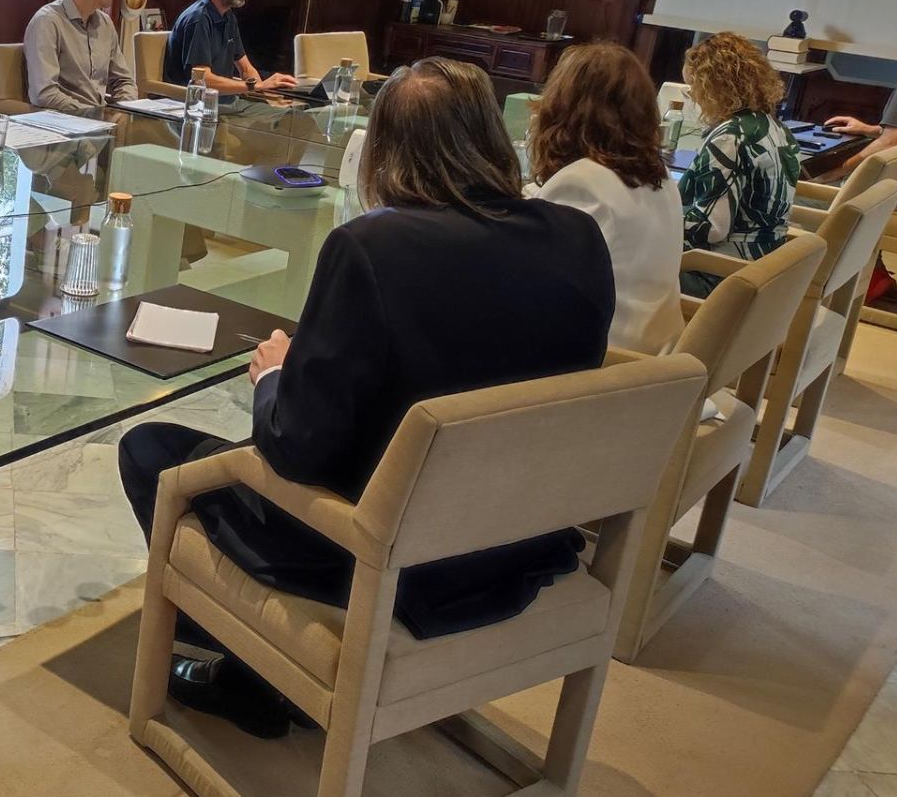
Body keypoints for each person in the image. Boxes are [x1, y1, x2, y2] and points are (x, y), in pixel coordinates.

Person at [117, 58, 615, 738]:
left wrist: (271, 377)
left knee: (153, 450)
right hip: (519, 540)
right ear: (494, 141)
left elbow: (296, 448)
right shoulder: (579, 238)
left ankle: (257, 677)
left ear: (383, 151)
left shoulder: (373, 248)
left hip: (383, 553)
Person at [528, 43, 685, 354]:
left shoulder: (580, 184)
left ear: (563, 107)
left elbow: (540, 287)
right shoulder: (660, 177)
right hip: (655, 351)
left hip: (603, 361)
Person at [678, 32, 799, 297]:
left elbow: (712, 228)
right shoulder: (775, 128)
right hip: (764, 270)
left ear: (712, 87)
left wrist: (652, 221)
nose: (695, 99)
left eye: (694, 89)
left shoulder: (730, 137)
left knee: (616, 263)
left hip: (718, 276)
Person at [821, 23, 897, 301]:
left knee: (817, 197)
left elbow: (892, 145)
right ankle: (873, 271)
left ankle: (859, 277)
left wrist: (839, 170)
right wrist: (870, 129)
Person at [162, 0, 296, 94]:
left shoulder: (228, 16)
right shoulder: (198, 19)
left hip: (228, 102)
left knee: (296, 113)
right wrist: (255, 86)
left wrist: (268, 95)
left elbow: (246, 69)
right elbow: (201, 79)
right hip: (201, 107)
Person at [22, 0, 138, 116]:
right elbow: (44, 94)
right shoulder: (47, 22)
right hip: (66, 125)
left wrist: (123, 111)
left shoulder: (105, 23)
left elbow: (124, 81)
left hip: (101, 124)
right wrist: (91, 115)